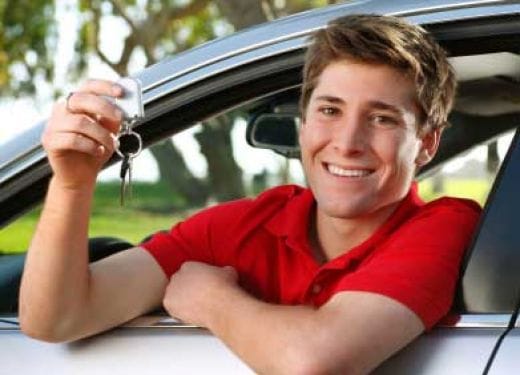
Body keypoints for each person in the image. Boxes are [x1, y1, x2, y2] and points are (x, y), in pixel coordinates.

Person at [19, 14, 481, 374]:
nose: (347, 142)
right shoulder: (240, 225)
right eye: (329, 110)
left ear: (425, 143)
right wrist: (73, 183)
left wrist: (211, 301)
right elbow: (54, 320)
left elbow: (315, 363)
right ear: (303, 125)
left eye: (382, 118)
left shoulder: (446, 225)